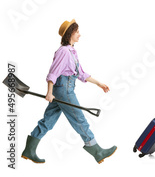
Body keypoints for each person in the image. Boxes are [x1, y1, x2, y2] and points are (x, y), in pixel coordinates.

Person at [21, 19, 117, 164]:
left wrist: (99, 84)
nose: (80, 34)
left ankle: (29, 150)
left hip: (63, 90)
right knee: (79, 119)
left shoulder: (72, 51)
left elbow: (81, 73)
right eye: (77, 31)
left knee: (48, 120)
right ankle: (97, 151)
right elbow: (53, 73)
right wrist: (49, 92)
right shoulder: (64, 52)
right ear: (70, 33)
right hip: (64, 90)